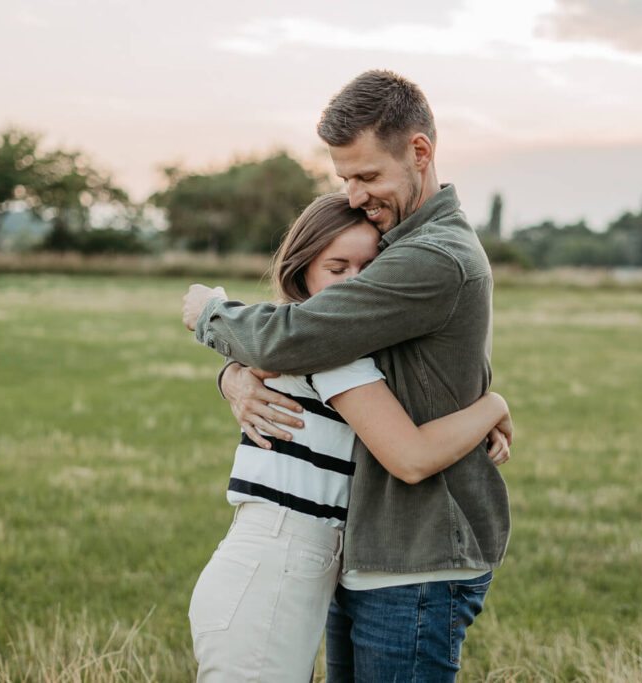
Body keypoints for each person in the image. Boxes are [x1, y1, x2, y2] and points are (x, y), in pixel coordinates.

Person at [182, 69, 511, 681]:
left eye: (367, 176)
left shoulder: (430, 257)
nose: (356, 194)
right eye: (344, 180)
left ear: (420, 152)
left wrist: (208, 313)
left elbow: (304, 334)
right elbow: (314, 335)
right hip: (365, 550)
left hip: (415, 560)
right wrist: (234, 376)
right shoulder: (395, 242)